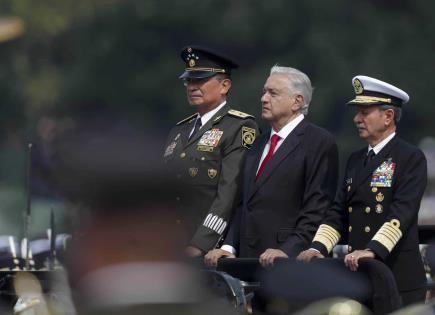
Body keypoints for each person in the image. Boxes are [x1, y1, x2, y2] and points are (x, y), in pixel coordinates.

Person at [297, 75, 427, 306]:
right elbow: (338, 212)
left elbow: (401, 213)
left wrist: (373, 251)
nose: (357, 119)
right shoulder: (356, 160)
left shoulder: (410, 157)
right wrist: (318, 248)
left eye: (365, 112)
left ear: (388, 116)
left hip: (396, 278)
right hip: (359, 275)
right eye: (357, 112)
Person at [204, 66, 339, 267]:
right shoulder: (258, 143)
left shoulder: (318, 142)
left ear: (297, 101)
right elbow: (244, 204)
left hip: (291, 263)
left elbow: (317, 209)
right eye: (264, 92)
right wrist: (229, 247)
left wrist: (288, 250)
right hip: (249, 260)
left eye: (273, 93)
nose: (264, 99)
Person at [164, 45, 258, 257]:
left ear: (225, 85)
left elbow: (229, 193)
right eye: (189, 80)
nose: (192, 86)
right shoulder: (179, 130)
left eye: (200, 80)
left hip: (210, 248)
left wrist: (200, 243)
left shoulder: (239, 126)